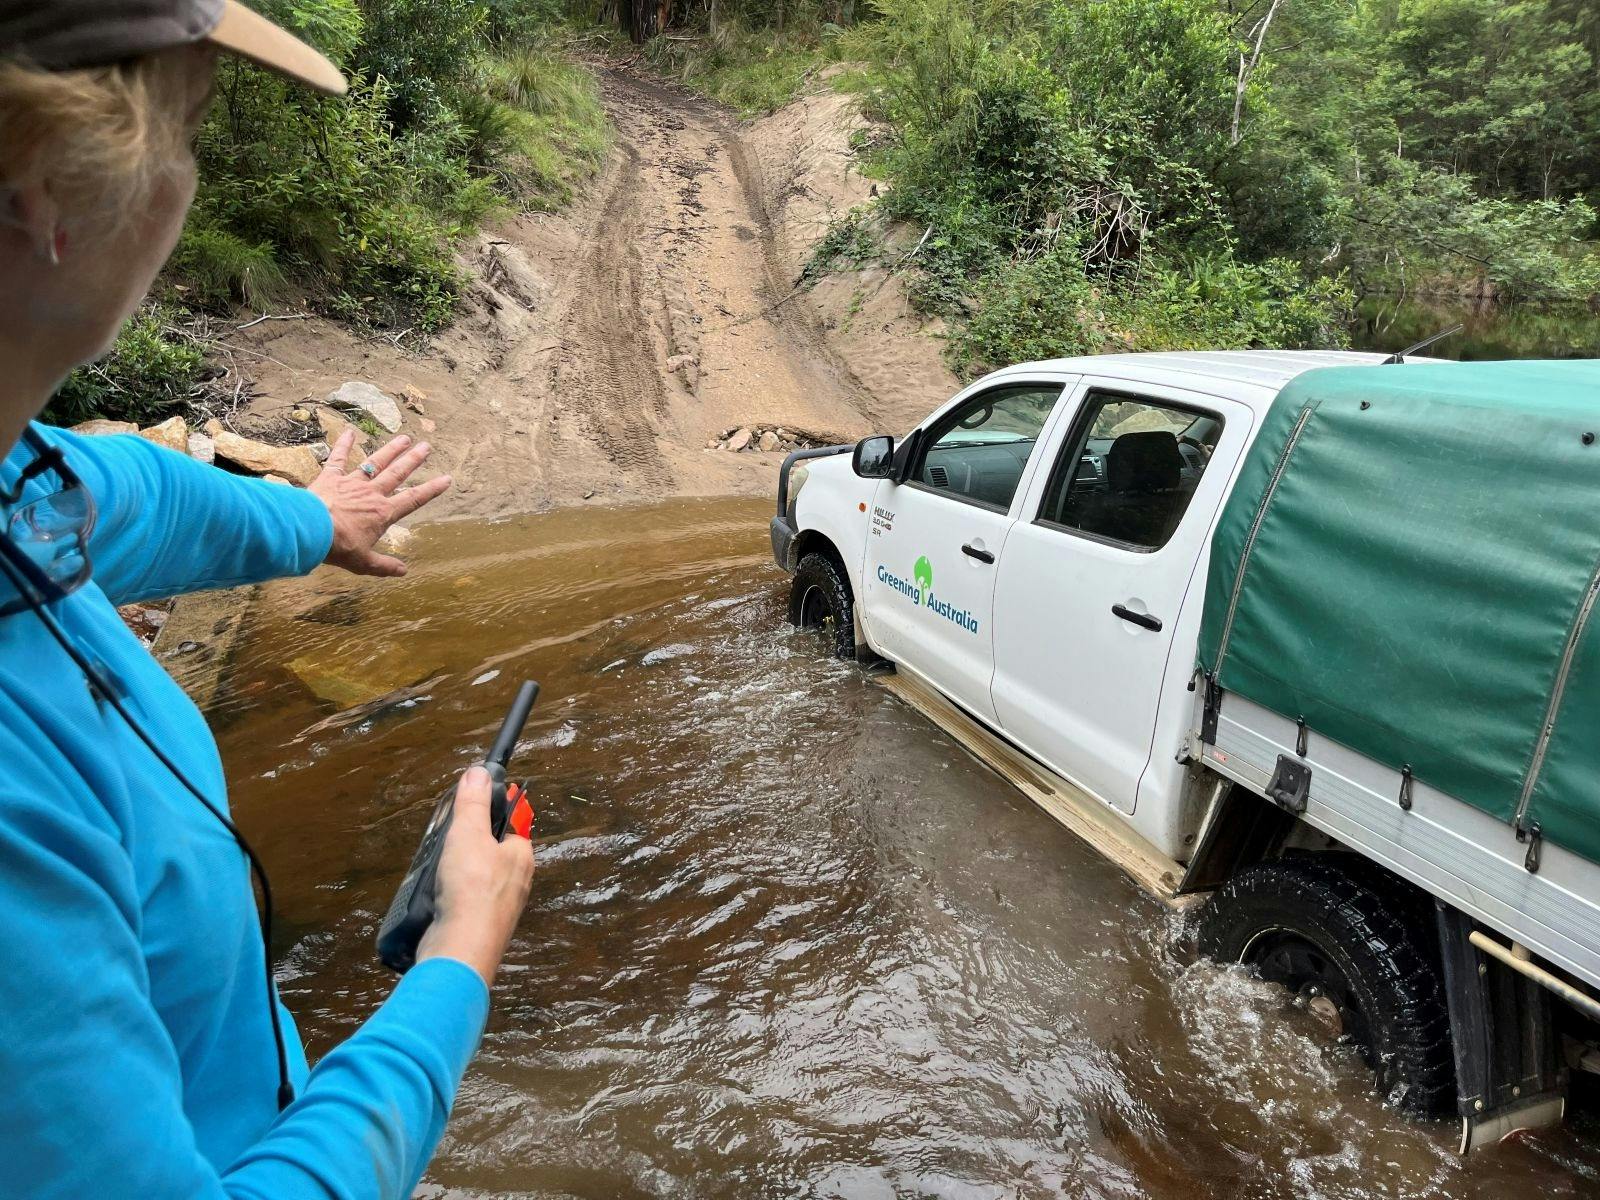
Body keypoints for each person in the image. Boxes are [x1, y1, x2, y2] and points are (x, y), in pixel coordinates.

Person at [0, 3, 535, 1196]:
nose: (189, 178)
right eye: (186, 127)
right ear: (47, 191)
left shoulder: (23, 486)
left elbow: (122, 491)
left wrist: (309, 523)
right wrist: (457, 960)